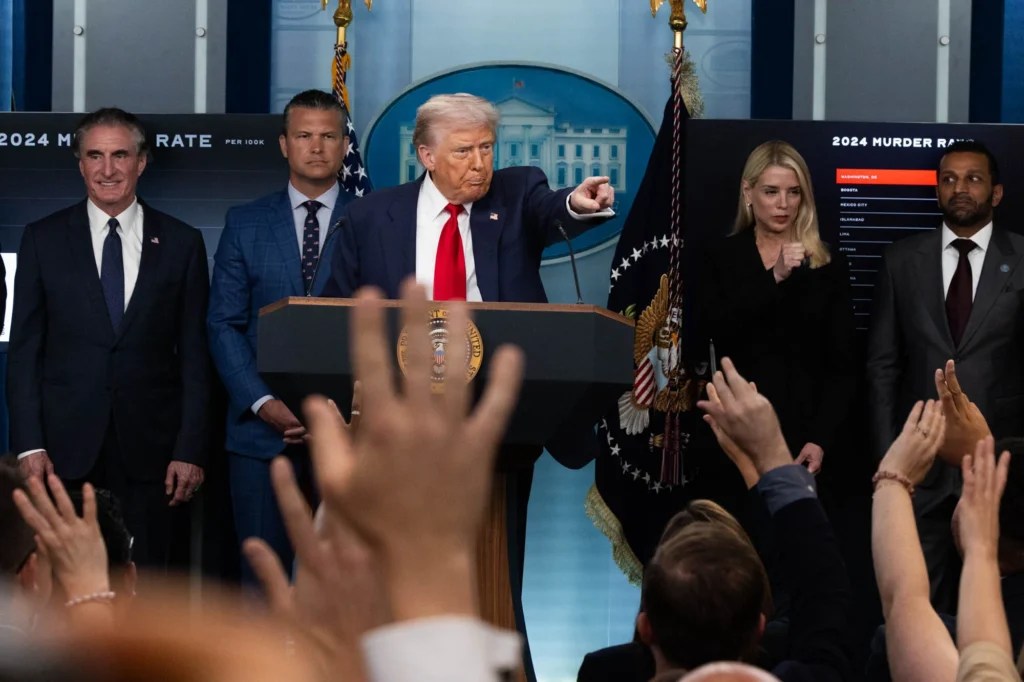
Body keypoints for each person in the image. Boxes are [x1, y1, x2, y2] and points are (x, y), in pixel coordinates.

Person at [6, 107, 211, 570]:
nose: (107, 169)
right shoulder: (42, 239)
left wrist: (189, 449)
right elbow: (24, 353)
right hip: (63, 452)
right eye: (94, 156)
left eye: (120, 155)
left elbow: (196, 357)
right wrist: (30, 445)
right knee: (65, 586)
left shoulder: (182, 243)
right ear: (79, 163)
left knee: (152, 586)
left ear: (142, 162)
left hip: (153, 455)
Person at [866, 139, 1024, 613]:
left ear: (995, 193)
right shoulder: (900, 262)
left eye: (973, 178)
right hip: (920, 468)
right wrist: (888, 463)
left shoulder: (1022, 258)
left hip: (999, 467)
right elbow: (881, 368)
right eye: (949, 179)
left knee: (993, 608)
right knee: (915, 608)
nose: (960, 188)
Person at [208, 89, 354, 583]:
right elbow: (223, 324)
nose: (316, 147)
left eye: (329, 136)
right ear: (284, 144)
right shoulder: (244, 222)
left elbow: (387, 326)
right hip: (259, 437)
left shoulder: (375, 220)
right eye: (304, 136)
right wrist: (264, 403)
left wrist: (341, 407)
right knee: (262, 583)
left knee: (349, 588)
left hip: (350, 434)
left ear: (344, 146)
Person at [321, 92, 615, 303]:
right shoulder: (369, 216)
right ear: (428, 156)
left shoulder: (518, 193)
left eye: (486, 148)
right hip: (405, 376)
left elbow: (550, 208)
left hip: (503, 374)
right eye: (463, 151)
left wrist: (575, 203)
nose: (479, 163)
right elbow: (337, 312)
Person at [700, 140, 856, 478]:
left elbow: (843, 366)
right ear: (748, 192)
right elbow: (713, 330)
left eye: (793, 192)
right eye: (771, 192)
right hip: (735, 435)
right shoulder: (720, 257)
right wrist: (774, 278)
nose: (783, 204)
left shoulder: (827, 263)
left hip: (804, 440)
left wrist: (820, 439)